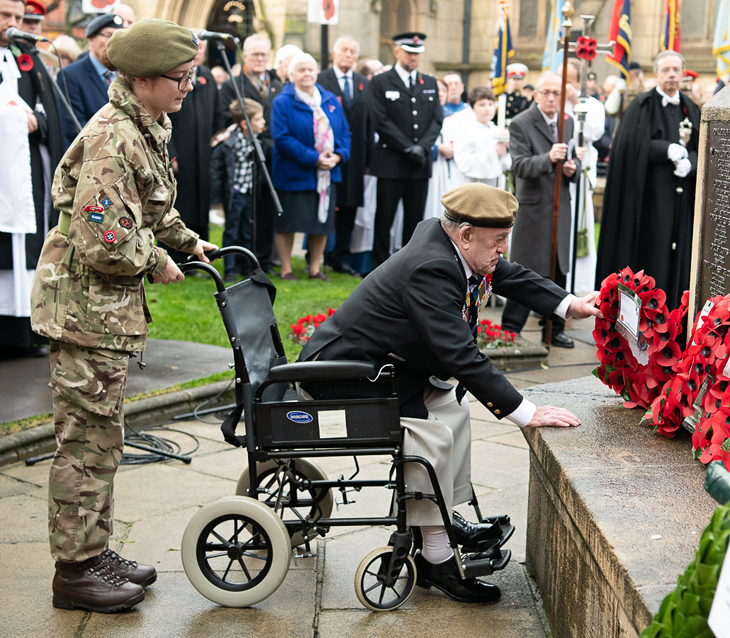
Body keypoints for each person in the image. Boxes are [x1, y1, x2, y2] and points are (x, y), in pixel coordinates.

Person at [298, 182, 601, 603]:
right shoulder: (432, 267)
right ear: (464, 234)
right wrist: (524, 411)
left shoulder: (453, 247)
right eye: (497, 241)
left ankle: (438, 519)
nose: (502, 249)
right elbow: (461, 356)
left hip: (382, 371)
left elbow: (508, 274)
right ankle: (435, 559)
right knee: (432, 435)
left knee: (451, 410)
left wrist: (570, 304)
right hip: (344, 382)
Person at [29, 18, 217, 613]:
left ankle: (94, 551)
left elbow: (151, 206)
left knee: (103, 438)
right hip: (85, 309)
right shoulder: (114, 137)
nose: (190, 86)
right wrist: (158, 259)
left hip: (103, 312)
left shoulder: (147, 125)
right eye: (180, 78)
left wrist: (188, 242)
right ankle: (74, 572)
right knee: (85, 443)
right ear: (141, 80)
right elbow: (103, 240)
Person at [595, 51, 700, 310]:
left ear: (683, 73)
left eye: (676, 69)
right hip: (648, 201)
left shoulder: (692, 108)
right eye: (666, 70)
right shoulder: (641, 105)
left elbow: (704, 147)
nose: (672, 74)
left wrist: (692, 163)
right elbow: (630, 147)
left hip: (682, 201)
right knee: (654, 254)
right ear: (656, 74)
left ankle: (676, 310)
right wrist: (664, 149)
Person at [500, 72, 583, 348]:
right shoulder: (522, 123)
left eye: (556, 93)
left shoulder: (567, 123)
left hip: (561, 206)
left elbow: (570, 161)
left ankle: (554, 327)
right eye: (545, 92)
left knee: (558, 268)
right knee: (526, 268)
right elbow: (520, 166)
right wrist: (548, 158)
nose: (550, 98)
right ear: (535, 95)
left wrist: (572, 170)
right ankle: (511, 329)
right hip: (534, 209)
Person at [0, 0, 64, 357]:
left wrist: (39, 121)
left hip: (27, 172)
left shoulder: (27, 56)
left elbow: (50, 109)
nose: (13, 24)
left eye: (18, 17)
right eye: (4, 16)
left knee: (29, 245)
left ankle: (27, 329)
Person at [270, 52, 350, 281]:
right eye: (301, 69)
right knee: (288, 223)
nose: (307, 73)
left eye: (310, 69)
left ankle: (314, 268)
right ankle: (286, 269)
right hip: (294, 173)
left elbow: (345, 132)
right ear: (291, 74)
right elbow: (282, 138)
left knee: (320, 223)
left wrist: (338, 156)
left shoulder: (330, 99)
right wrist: (314, 158)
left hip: (326, 173)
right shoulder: (283, 102)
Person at [370, 32, 443, 268]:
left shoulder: (429, 83)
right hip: (391, 161)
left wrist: (421, 147)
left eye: (417, 53)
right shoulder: (381, 82)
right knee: (384, 219)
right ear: (397, 51)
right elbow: (380, 120)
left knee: (415, 221)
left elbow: (436, 120)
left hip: (419, 163)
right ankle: (379, 267)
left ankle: (409, 266)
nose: (413, 57)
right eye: (409, 53)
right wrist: (406, 147)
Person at [220, 34, 283, 274]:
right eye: (255, 54)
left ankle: (263, 262)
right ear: (244, 57)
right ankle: (236, 264)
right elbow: (226, 119)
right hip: (243, 161)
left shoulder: (278, 85)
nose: (259, 59)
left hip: (270, 159)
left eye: (264, 55)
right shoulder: (232, 86)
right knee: (240, 219)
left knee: (266, 212)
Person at [163, 35, 224, 262]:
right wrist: (170, 152)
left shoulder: (206, 75)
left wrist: (217, 140)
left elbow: (218, 112)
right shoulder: (171, 74)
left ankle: (202, 251)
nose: (198, 52)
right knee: (181, 200)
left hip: (204, 152)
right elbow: (163, 116)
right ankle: (177, 252)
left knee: (202, 198)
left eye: (201, 48)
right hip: (180, 150)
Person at [317, 34, 371, 276]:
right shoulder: (321, 80)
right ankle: (317, 255)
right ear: (334, 54)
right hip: (328, 154)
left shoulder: (364, 83)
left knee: (349, 207)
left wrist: (368, 159)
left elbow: (370, 123)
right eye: (344, 50)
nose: (348, 54)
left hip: (356, 156)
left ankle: (341, 256)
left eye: (352, 51)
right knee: (326, 203)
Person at [560, 60, 605, 295]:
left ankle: (579, 286)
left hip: (580, 175)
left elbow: (594, 132)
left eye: (566, 78)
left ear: (578, 80)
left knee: (578, 228)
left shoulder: (592, 105)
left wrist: (574, 102)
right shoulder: (554, 101)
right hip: (557, 174)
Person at [210, 98, 266, 281]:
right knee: (232, 230)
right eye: (258, 119)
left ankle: (245, 266)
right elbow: (218, 168)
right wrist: (217, 193)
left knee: (247, 229)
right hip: (235, 193)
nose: (263, 122)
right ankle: (230, 269)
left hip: (249, 192)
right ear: (244, 123)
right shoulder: (229, 142)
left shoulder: (256, 140)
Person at [57, 13, 125, 146]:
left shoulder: (126, 74)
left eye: (118, 36)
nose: (113, 41)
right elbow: (74, 127)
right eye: (108, 35)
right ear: (91, 39)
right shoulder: (70, 76)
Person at [453, 86, 511, 187]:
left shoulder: (497, 130)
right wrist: (493, 152)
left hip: (496, 185)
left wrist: (507, 149)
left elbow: (506, 164)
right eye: (482, 105)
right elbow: (464, 163)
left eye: (490, 104)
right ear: (472, 107)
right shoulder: (466, 132)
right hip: (474, 186)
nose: (487, 108)